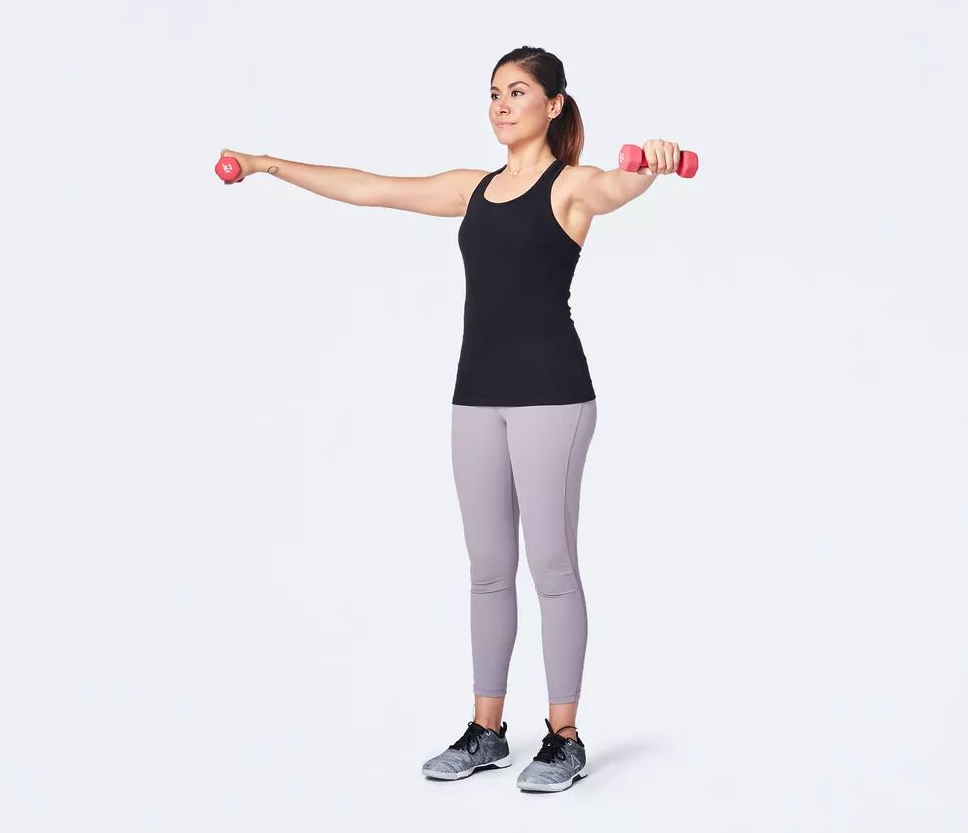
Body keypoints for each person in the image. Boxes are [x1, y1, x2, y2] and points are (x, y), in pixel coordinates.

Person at [216, 45, 685, 793]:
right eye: (494, 92)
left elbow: (618, 186)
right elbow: (371, 188)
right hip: (476, 398)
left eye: (519, 91)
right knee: (488, 572)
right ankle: (486, 729)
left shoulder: (573, 188)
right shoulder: (475, 189)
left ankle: (563, 737)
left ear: (554, 104)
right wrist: (270, 163)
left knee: (553, 570)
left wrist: (653, 161)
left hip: (553, 399)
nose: (502, 104)